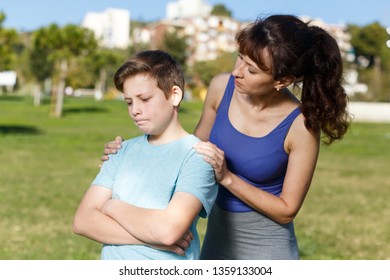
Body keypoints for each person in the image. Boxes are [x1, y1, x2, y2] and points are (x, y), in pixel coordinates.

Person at [101, 15, 350, 259]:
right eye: (239, 58)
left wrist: (227, 178)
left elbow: (287, 210)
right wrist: (129, 156)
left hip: (268, 248)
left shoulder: (301, 126)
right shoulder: (222, 87)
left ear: (282, 81)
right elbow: (190, 151)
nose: (237, 72)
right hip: (217, 238)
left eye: (251, 70)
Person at [73, 50, 218, 260]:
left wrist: (111, 206)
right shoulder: (121, 151)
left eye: (144, 99)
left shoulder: (197, 156)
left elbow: (168, 231)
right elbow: (83, 221)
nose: (135, 111)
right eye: (129, 102)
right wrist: (149, 238)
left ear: (174, 95)